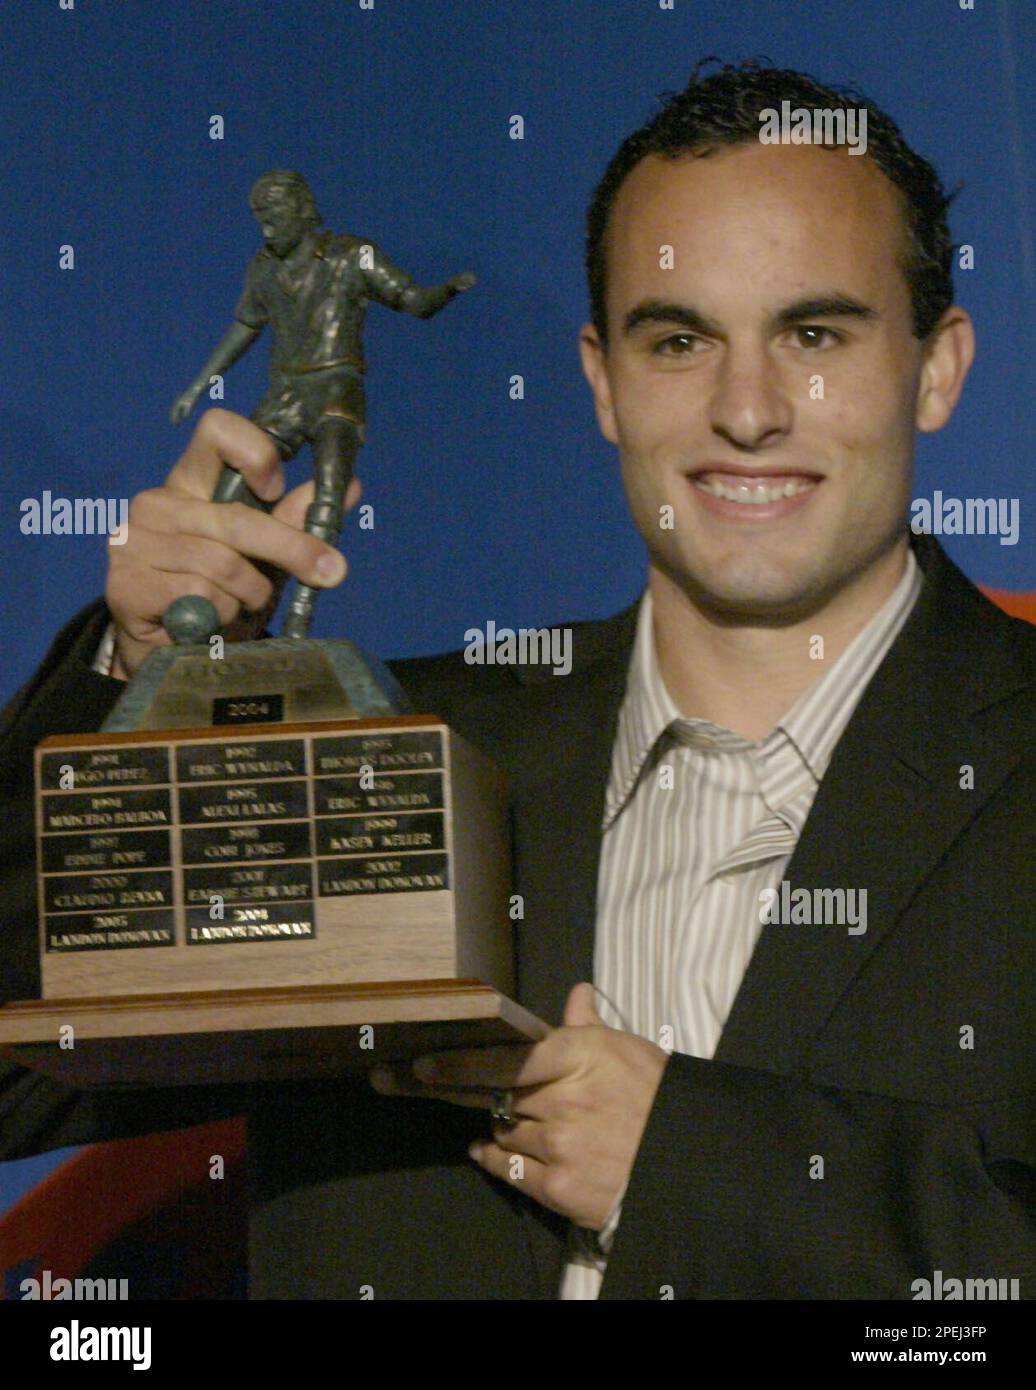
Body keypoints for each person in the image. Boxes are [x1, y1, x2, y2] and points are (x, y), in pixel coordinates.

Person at [2, 59, 1034, 1300]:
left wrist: (690, 1167)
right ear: (602, 380)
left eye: (813, 334)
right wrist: (139, 676)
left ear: (937, 366)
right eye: (678, 339)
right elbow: (25, 1073)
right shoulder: (391, 755)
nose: (747, 409)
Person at [169, 168, 475, 638]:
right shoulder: (264, 268)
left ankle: (300, 615)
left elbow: (412, 299)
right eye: (260, 223)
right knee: (234, 487)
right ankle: (205, 606)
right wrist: (198, 386)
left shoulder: (352, 255)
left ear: (300, 211)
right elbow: (245, 328)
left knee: (330, 491)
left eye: (272, 219)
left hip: (336, 386)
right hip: (285, 393)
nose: (266, 231)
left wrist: (447, 290)